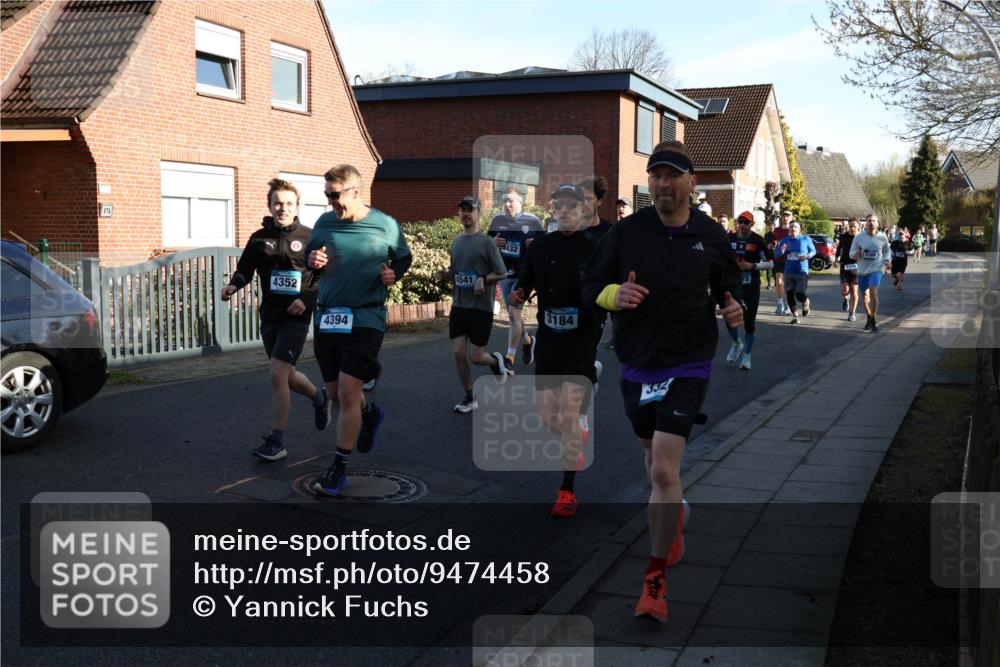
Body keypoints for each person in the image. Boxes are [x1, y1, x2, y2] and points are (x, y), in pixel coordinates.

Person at [583, 140, 744, 623]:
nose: (662, 184)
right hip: (636, 361)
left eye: (672, 175)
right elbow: (590, 287)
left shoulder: (711, 235)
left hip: (689, 361)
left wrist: (734, 309)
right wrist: (616, 293)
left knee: (662, 471)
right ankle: (673, 517)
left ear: (692, 183)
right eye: (655, 176)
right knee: (652, 460)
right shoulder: (627, 233)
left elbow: (730, 288)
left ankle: (654, 583)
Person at [306, 165, 412, 496]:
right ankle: (370, 413)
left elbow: (403, 260)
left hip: (366, 319)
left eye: (334, 195)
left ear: (355, 192)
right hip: (328, 318)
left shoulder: (385, 224)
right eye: (326, 195)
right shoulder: (324, 224)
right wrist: (313, 261)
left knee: (349, 391)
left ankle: (338, 469)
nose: (330, 202)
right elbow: (310, 260)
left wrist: (393, 274)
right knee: (337, 394)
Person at [509, 184, 602, 518]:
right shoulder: (540, 246)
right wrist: (519, 294)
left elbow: (605, 289)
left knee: (568, 410)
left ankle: (566, 490)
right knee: (549, 417)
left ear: (582, 211)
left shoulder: (594, 248)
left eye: (571, 206)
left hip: (582, 338)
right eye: (558, 205)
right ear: (552, 210)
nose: (564, 210)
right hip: (549, 337)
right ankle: (590, 384)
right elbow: (526, 282)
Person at [221, 178, 329, 461]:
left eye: (288, 203)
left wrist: (304, 300)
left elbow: (322, 280)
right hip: (270, 315)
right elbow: (245, 270)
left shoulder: (311, 238)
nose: (283, 208)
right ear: (270, 205)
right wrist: (234, 285)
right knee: (288, 376)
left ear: (297, 207)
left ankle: (276, 441)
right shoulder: (258, 238)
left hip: (297, 316)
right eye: (277, 203)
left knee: (276, 374)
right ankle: (320, 398)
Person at [435, 196, 509, 413]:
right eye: (463, 210)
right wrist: (446, 274)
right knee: (458, 352)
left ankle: (495, 362)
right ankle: (470, 396)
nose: (466, 214)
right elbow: (459, 273)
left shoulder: (487, 242)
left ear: (478, 214)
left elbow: (502, 272)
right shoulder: (456, 241)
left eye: (471, 210)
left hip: (480, 307)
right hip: (459, 306)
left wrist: (483, 279)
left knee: (476, 357)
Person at [487, 188, 545, 372]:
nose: (507, 204)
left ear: (521, 203)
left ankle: (509, 357)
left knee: (513, 314)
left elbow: (545, 245)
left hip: (524, 275)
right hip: (504, 273)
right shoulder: (497, 220)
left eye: (511, 201)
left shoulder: (532, 221)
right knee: (515, 317)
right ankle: (528, 341)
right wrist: (493, 242)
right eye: (505, 201)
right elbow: (487, 243)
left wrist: (535, 245)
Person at [726, 211, 772, 369]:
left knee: (749, 322)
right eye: (741, 222)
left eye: (747, 222)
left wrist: (753, 266)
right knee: (729, 318)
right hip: (732, 285)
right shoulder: (730, 238)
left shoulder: (758, 241)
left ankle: (746, 356)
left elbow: (771, 263)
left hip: (751, 287)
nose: (743, 225)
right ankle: (736, 343)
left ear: (752, 224)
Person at [850, 213, 892, 332]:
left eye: (873, 221)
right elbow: (851, 253)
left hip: (877, 268)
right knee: (864, 295)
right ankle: (869, 316)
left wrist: (887, 261)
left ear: (877, 223)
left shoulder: (883, 237)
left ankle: (873, 318)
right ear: (865, 224)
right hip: (862, 270)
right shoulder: (859, 237)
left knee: (873, 291)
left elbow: (887, 251)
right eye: (869, 221)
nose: (871, 223)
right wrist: (856, 254)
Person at [773, 221, 817, 324]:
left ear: (799, 229)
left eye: (795, 227)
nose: (793, 228)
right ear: (789, 229)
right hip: (788, 271)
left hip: (801, 270)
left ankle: (806, 302)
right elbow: (776, 254)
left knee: (799, 294)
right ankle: (795, 316)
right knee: (789, 294)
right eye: (791, 226)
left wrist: (807, 256)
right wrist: (781, 251)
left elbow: (813, 251)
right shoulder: (784, 240)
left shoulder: (805, 239)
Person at [766, 211, 793, 314]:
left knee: (789, 283)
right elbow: (774, 241)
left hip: (791, 260)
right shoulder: (777, 230)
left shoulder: (794, 229)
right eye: (784, 216)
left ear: (791, 217)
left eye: (787, 215)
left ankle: (789, 305)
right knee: (779, 281)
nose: (785, 217)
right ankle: (780, 303)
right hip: (779, 260)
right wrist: (771, 245)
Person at [836, 218, 861, 322]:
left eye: (854, 226)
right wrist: (836, 258)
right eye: (851, 226)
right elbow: (839, 249)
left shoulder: (862, 238)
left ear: (858, 226)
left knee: (854, 290)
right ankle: (846, 299)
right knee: (845, 290)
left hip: (857, 266)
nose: (852, 228)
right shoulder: (844, 236)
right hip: (845, 265)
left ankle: (852, 312)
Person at [762, 220, 776, 289]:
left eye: (772, 226)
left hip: (775, 253)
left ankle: (776, 282)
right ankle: (769, 284)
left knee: (775, 268)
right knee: (768, 268)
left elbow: (778, 242)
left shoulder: (776, 234)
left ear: (774, 226)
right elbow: (764, 243)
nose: (771, 227)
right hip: (768, 253)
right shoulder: (766, 235)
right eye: (770, 226)